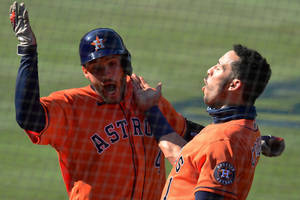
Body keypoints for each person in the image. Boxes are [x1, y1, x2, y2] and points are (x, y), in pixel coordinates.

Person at [9, 1, 284, 199]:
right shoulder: (72, 107)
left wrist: (252, 142)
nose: (107, 75)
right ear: (85, 72)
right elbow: (29, 118)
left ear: (125, 64)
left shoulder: (143, 98)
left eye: (113, 64)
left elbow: (189, 135)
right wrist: (28, 53)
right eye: (97, 68)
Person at [132, 44, 283, 200]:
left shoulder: (222, 141)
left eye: (219, 68)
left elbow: (216, 150)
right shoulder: (245, 128)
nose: (209, 70)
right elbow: (185, 160)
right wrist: (151, 109)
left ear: (234, 85)